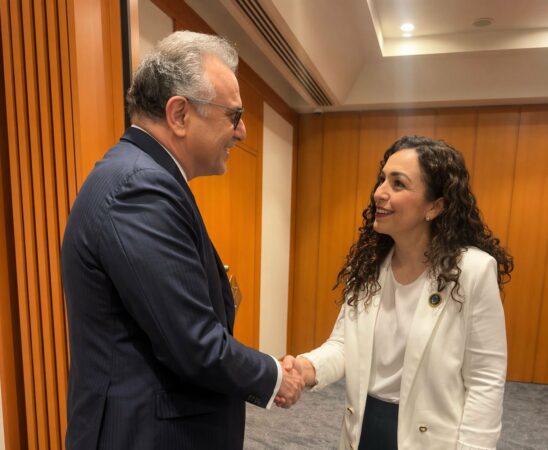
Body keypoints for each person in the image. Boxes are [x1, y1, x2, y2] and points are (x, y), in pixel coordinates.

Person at [61, 31, 303, 450]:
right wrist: (274, 376)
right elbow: (194, 343)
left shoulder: (139, 175)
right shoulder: (139, 188)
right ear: (179, 114)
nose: (242, 132)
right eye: (234, 115)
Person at [281, 135, 513, 450]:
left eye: (398, 183)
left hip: (430, 437)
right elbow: (344, 345)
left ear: (435, 206)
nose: (379, 192)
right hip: (363, 427)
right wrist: (306, 368)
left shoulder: (473, 270)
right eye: (382, 179)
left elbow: (486, 378)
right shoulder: (368, 267)